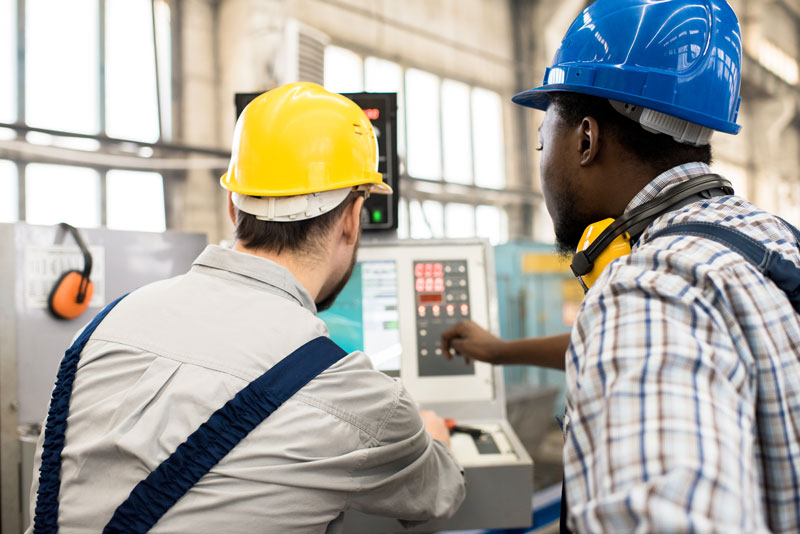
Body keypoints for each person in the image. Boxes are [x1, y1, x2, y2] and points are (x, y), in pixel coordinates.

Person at [27, 82, 465, 533]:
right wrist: (433, 437)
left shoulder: (101, 328)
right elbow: (438, 494)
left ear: (233, 209)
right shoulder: (354, 396)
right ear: (352, 220)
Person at [444, 1, 800, 532]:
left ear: (585, 139)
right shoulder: (769, 241)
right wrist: (499, 351)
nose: (543, 158)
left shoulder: (645, 293)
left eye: (544, 138)